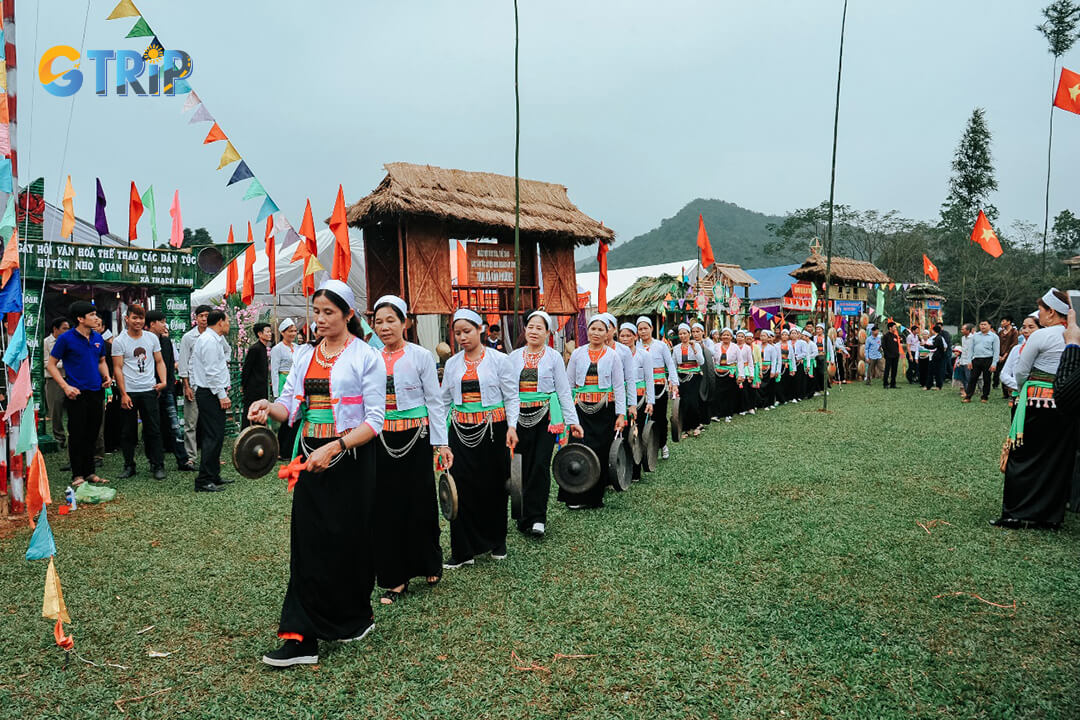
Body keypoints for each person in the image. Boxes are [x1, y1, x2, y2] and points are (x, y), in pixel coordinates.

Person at [250, 279, 386, 667]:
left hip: (351, 460)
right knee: (308, 545)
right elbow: (288, 406)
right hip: (310, 458)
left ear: (347, 314)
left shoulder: (366, 356)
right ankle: (300, 638)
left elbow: (374, 421)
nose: (321, 319)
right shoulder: (305, 355)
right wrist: (265, 406)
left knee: (350, 541)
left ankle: (353, 618)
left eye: (329, 312)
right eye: (317, 312)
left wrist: (338, 445)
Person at [369, 295, 448, 603]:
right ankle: (394, 578)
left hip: (415, 439)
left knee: (420, 503)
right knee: (385, 508)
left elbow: (434, 401)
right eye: (379, 321)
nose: (385, 327)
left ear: (405, 323)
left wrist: (440, 443)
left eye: (391, 320)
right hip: (379, 440)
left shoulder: (421, 356)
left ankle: (429, 561)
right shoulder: (370, 357)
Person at [440, 308, 518, 564]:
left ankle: (497, 541)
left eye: (467, 331)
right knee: (460, 487)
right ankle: (463, 551)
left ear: (480, 329)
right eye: (458, 332)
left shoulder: (499, 360)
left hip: (493, 431)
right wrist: (441, 438)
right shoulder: (452, 364)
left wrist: (512, 426)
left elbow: (511, 396)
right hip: (460, 433)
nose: (462, 337)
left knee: (494, 485)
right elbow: (443, 402)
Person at [994, 289, 1073, 529]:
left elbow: (1021, 370)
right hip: (1067, 402)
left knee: (1023, 455)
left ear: (1051, 312)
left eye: (1040, 311)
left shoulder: (1043, 335)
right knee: (1057, 459)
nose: (1039, 315)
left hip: (1036, 402)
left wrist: (1022, 390)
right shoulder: (1074, 335)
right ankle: (1050, 516)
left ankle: (1016, 513)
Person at [511, 311, 582, 534]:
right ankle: (520, 515)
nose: (533, 331)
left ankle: (538, 517)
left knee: (540, 466)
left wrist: (573, 422)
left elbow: (563, 391)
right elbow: (505, 392)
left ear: (548, 333)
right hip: (517, 418)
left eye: (539, 328)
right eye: (530, 327)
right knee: (517, 466)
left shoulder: (553, 358)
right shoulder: (512, 358)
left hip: (544, 418)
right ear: (525, 330)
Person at [46, 301, 111, 488]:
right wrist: (66, 387)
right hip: (76, 393)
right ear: (80, 319)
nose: (96, 318)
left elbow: (101, 361)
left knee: (92, 433)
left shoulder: (97, 338)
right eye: (91, 315)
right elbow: (51, 365)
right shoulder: (66, 339)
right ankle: (77, 475)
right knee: (77, 434)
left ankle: (90, 472)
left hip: (96, 391)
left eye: (95, 314)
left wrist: (105, 375)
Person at [564, 315, 625, 507]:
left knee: (599, 451)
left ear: (607, 333)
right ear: (587, 331)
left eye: (601, 329)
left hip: (604, 411)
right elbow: (568, 384)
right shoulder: (577, 354)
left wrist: (621, 414)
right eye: (593, 329)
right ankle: (574, 496)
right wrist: (568, 413)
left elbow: (619, 386)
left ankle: (593, 498)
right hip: (580, 409)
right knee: (578, 449)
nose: (596, 333)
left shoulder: (613, 355)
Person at [112, 304, 167, 480]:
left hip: (149, 389)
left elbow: (159, 361)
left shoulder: (152, 338)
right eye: (134, 317)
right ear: (126, 319)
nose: (138, 321)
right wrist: (124, 393)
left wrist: (163, 381)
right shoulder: (119, 341)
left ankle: (157, 464)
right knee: (128, 431)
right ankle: (129, 465)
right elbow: (118, 368)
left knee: (154, 429)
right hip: (129, 392)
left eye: (141, 318)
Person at [146, 310, 195, 472]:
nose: (164, 325)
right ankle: (155, 462)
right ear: (152, 324)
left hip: (167, 389)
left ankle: (182, 460)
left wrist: (168, 385)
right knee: (153, 427)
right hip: (149, 389)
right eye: (161, 321)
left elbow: (169, 365)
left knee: (175, 426)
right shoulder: (144, 341)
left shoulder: (166, 342)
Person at [190, 310, 232, 492]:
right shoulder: (208, 341)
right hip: (210, 393)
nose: (229, 324)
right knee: (212, 436)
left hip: (211, 392)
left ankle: (213, 474)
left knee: (217, 435)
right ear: (221, 322)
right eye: (227, 321)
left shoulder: (214, 339)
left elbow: (226, 354)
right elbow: (211, 371)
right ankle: (204, 479)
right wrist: (221, 394)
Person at [636, 316, 678, 460]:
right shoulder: (635, 347)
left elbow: (670, 364)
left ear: (651, 328)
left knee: (660, 417)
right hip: (641, 387)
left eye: (645, 328)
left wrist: (674, 382)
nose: (643, 332)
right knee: (643, 418)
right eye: (640, 329)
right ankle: (645, 447)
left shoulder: (661, 345)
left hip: (659, 386)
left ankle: (662, 444)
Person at [617, 321, 653, 480]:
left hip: (639, 398)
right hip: (620, 398)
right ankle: (622, 467)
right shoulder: (615, 354)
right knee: (622, 432)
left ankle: (636, 470)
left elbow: (649, 379)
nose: (625, 339)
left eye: (628, 335)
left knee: (636, 433)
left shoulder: (643, 354)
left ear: (635, 337)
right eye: (622, 335)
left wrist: (650, 401)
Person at [178, 305, 212, 466]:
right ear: (196, 318)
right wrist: (187, 386)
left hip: (211, 386)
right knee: (191, 423)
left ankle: (210, 455)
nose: (204, 319)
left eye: (207, 316)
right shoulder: (188, 337)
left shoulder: (216, 336)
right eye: (201, 316)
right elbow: (183, 362)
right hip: (194, 384)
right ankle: (191, 456)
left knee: (209, 424)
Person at [270, 318, 299, 459]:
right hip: (283, 381)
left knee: (295, 417)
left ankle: (290, 448)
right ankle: (281, 449)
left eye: (294, 330)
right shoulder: (277, 349)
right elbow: (274, 371)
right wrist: (276, 393)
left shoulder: (297, 347)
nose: (293, 333)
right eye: (290, 331)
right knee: (286, 417)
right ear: (282, 332)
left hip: (296, 383)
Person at [671, 323, 704, 438]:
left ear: (689, 334)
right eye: (680, 334)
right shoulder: (675, 348)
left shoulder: (696, 346)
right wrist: (672, 380)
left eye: (685, 333)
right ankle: (686, 427)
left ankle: (696, 425)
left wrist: (694, 348)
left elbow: (702, 361)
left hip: (694, 376)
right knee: (684, 402)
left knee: (693, 401)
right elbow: (673, 365)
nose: (682, 336)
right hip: (681, 376)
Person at [1000, 313, 1040, 405]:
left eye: (1031, 327)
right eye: (1024, 327)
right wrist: (1019, 386)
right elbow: (1004, 374)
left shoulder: (1045, 351)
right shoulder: (1016, 349)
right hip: (1018, 395)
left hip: (1038, 397)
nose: (1026, 331)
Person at [43, 317, 70, 450]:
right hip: (53, 380)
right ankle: (59, 438)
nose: (67, 331)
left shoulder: (70, 341)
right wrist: (65, 363)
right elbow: (46, 363)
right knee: (56, 411)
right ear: (55, 329)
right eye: (64, 328)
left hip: (70, 378)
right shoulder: (46, 343)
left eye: (68, 328)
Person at [241, 322, 272, 429]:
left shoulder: (263, 348)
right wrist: (243, 386)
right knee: (250, 412)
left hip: (261, 386)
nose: (270, 334)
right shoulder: (255, 349)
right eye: (267, 332)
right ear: (259, 334)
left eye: (270, 331)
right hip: (253, 388)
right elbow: (246, 368)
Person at [963, 320, 1000, 404]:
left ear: (990, 326)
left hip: (988, 359)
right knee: (972, 378)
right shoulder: (975, 336)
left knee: (987, 379)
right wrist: (969, 361)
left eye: (985, 324)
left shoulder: (994, 337)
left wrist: (994, 363)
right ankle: (968, 396)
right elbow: (970, 349)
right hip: (976, 359)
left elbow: (996, 351)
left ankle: (985, 396)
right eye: (981, 324)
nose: (983, 326)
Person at [712, 328, 738, 421]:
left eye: (728, 335)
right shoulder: (716, 346)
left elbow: (740, 361)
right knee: (718, 393)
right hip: (718, 372)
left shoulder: (735, 347)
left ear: (731, 337)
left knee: (729, 393)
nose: (725, 337)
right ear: (720, 336)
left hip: (730, 372)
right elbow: (712, 359)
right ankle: (717, 414)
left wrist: (741, 375)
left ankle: (728, 413)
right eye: (724, 335)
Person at [994, 316, 1018, 398]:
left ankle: (1011, 391)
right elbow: (997, 344)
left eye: (1003, 321)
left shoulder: (1014, 332)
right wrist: (998, 355)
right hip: (1000, 355)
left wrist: (1005, 356)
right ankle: (1005, 393)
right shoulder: (1000, 332)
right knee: (1001, 373)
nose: (1002, 323)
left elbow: (1013, 344)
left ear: (1009, 322)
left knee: (1010, 374)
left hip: (1009, 356)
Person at [880, 321, 900, 389]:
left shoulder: (895, 336)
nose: (895, 328)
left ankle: (893, 384)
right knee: (887, 370)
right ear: (890, 328)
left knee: (894, 370)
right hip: (889, 356)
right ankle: (885, 384)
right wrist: (887, 354)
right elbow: (883, 346)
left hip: (895, 356)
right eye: (894, 327)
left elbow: (897, 346)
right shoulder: (885, 336)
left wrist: (897, 353)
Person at [956, 324, 974, 392]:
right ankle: (966, 390)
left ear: (968, 330)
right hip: (963, 360)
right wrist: (960, 361)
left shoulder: (973, 338)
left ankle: (969, 391)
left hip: (969, 361)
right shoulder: (963, 338)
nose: (961, 331)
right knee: (963, 377)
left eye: (963, 329)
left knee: (968, 377)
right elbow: (963, 350)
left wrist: (971, 361)